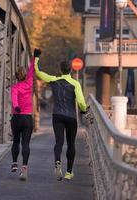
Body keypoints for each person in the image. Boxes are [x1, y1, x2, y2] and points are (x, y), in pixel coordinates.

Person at [34, 48, 89, 181]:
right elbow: (81, 102)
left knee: (59, 142)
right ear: (70, 70)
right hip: (71, 117)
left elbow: (38, 73)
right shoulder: (75, 83)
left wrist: (36, 58)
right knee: (71, 144)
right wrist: (84, 110)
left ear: (60, 70)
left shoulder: (54, 80)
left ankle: (57, 162)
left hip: (57, 115)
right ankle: (69, 172)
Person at [10, 51, 38, 180]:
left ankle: (14, 163)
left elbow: (14, 99)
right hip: (27, 118)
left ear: (16, 76)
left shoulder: (15, 87)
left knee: (16, 140)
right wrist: (35, 57)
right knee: (25, 143)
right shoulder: (30, 83)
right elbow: (32, 70)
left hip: (17, 117)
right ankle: (24, 169)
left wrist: (16, 107)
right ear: (25, 75)